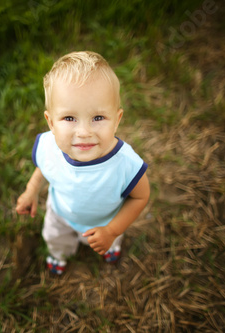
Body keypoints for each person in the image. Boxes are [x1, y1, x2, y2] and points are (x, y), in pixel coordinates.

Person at [16, 51, 150, 275]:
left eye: (98, 118)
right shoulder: (49, 146)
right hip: (59, 214)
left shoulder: (125, 164)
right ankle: (60, 256)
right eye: (69, 118)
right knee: (55, 237)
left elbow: (141, 197)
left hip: (105, 221)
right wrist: (31, 191)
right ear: (51, 122)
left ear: (117, 120)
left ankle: (110, 246)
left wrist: (111, 230)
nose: (84, 132)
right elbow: (44, 168)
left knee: (107, 240)